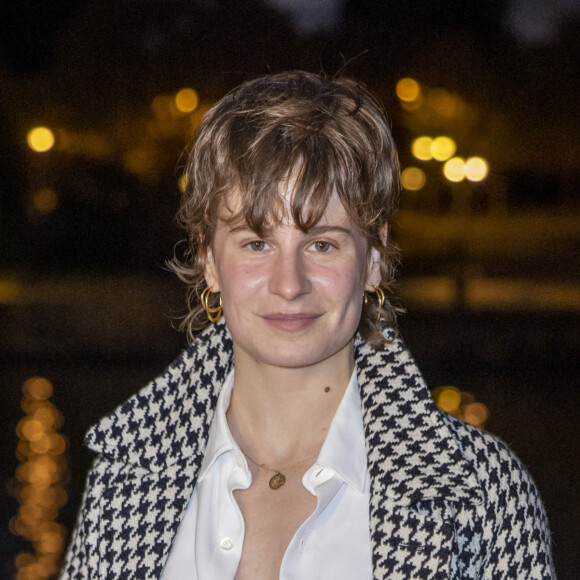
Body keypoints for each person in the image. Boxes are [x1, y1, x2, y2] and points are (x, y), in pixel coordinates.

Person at [61, 71, 555, 579]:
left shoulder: (485, 493)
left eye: (322, 244)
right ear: (209, 258)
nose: (289, 283)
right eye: (256, 243)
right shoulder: (124, 480)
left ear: (373, 260)